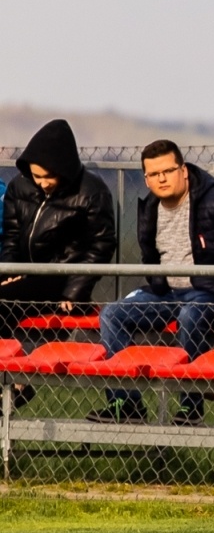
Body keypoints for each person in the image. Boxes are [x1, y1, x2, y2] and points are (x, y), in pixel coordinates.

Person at [86, 141, 214, 425]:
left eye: (168, 171)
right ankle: (126, 403)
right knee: (112, 314)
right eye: (154, 174)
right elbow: (151, 257)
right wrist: (157, 281)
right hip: (167, 293)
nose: (162, 178)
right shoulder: (150, 208)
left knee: (190, 313)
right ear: (146, 178)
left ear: (183, 170)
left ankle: (190, 407)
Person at [0, 120, 117, 411]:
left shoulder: (91, 191)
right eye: (36, 176)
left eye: (48, 176)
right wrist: (11, 272)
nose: (41, 182)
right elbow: (12, 237)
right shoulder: (19, 186)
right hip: (24, 274)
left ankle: (18, 383)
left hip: (60, 277)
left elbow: (100, 245)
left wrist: (74, 291)